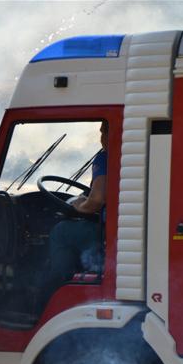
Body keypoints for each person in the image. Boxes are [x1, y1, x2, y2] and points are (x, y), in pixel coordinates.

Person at [43, 121, 108, 300]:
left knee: (61, 231)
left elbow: (96, 201)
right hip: (116, 229)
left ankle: (58, 287)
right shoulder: (127, 157)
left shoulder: (105, 157)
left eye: (103, 132)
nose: (101, 137)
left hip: (106, 231)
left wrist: (80, 205)